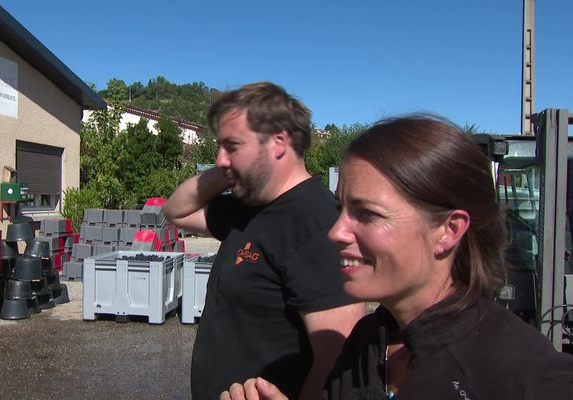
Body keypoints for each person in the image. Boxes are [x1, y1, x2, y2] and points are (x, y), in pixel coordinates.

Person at [221, 114, 573, 400]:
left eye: (367, 214)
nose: (335, 232)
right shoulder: (368, 342)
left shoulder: (528, 379)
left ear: (448, 231)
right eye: (342, 207)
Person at [164, 82, 365, 400]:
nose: (219, 158)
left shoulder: (316, 222)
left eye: (231, 145)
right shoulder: (250, 206)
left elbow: (336, 359)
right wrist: (230, 169)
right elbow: (176, 210)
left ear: (278, 142)